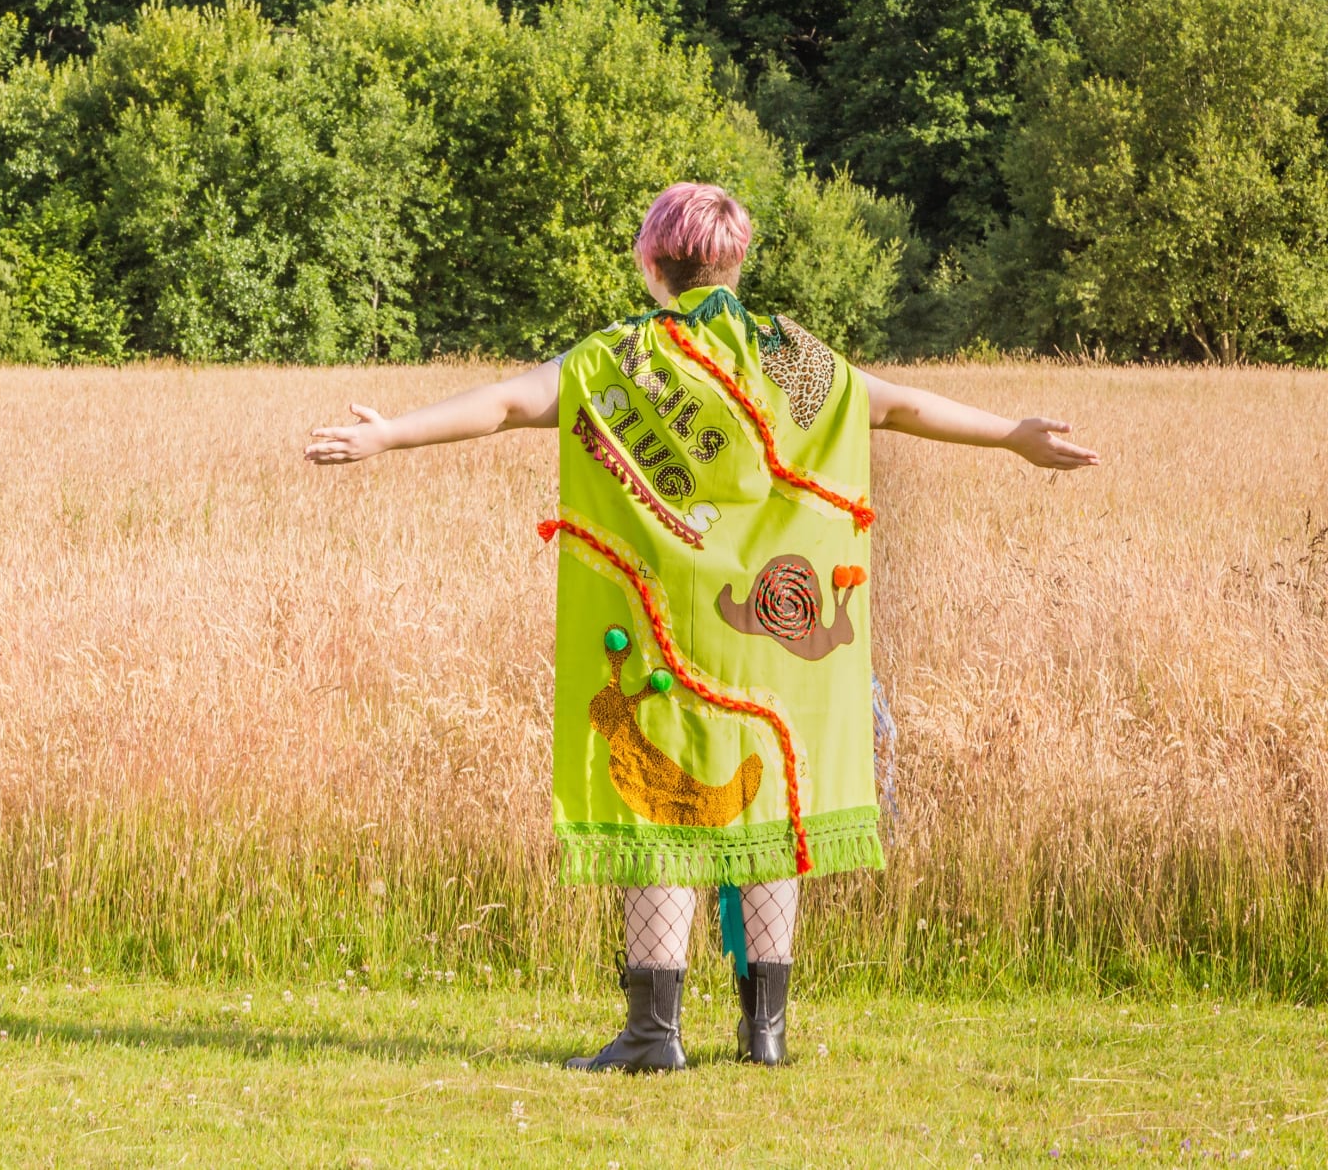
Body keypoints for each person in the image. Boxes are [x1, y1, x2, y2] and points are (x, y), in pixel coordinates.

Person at [303, 183, 1099, 1071]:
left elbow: (502, 405)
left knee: (659, 798)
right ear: (738, 261)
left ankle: (654, 1033)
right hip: (773, 631)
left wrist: (389, 436)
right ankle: (766, 1033)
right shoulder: (791, 357)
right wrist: (1014, 435)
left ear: (653, 264)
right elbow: (901, 405)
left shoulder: (621, 360)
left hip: (666, 630)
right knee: (773, 808)